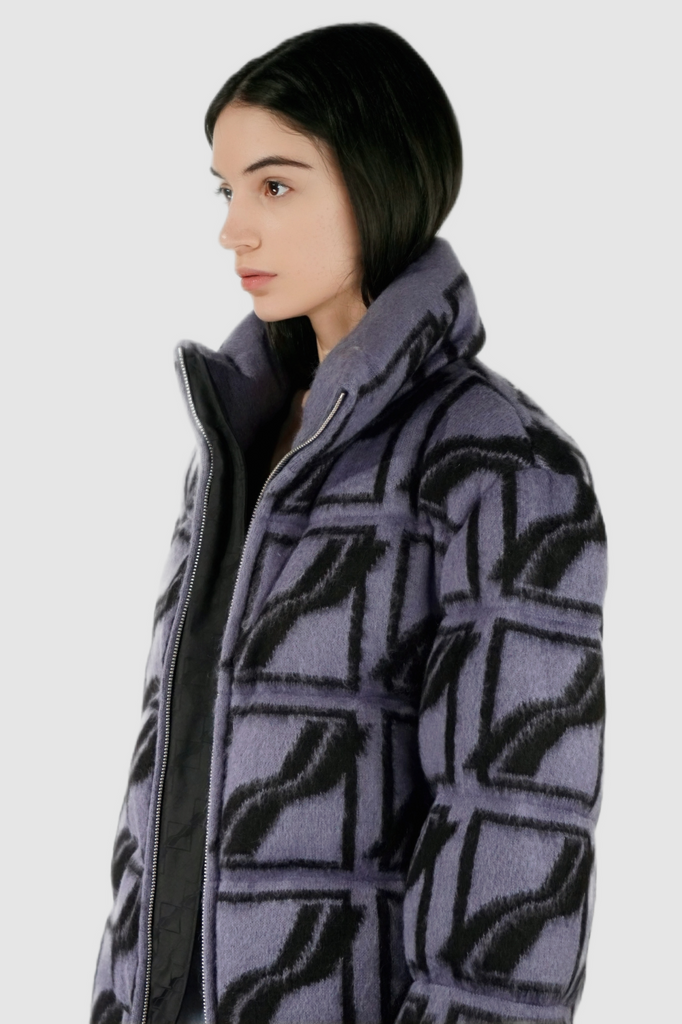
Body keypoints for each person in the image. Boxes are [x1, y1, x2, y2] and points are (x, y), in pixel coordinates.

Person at [90, 22, 607, 1024]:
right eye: (227, 190)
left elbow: (514, 829)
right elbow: (170, 786)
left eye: (275, 186)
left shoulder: (497, 461)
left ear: (377, 185)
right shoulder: (238, 443)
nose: (235, 230)